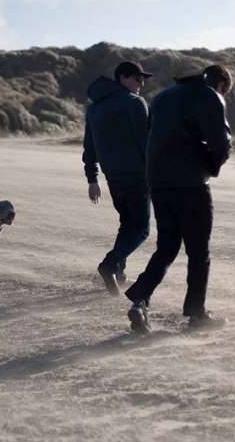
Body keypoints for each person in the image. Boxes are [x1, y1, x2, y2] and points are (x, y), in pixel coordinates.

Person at [124, 64, 233, 333]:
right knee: (198, 251)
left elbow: (150, 138)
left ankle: (139, 301)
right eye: (224, 91)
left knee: (167, 247)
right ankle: (197, 314)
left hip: (159, 182)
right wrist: (211, 168)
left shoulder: (163, 96)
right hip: (191, 184)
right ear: (219, 85)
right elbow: (221, 143)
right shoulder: (210, 96)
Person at [82, 61, 152, 295]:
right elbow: (146, 143)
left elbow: (89, 147)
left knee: (127, 223)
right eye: (137, 78)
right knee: (141, 229)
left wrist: (92, 178)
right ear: (123, 77)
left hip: (113, 177)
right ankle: (110, 265)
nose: (141, 84)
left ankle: (119, 273)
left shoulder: (94, 108)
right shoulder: (134, 103)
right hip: (137, 175)